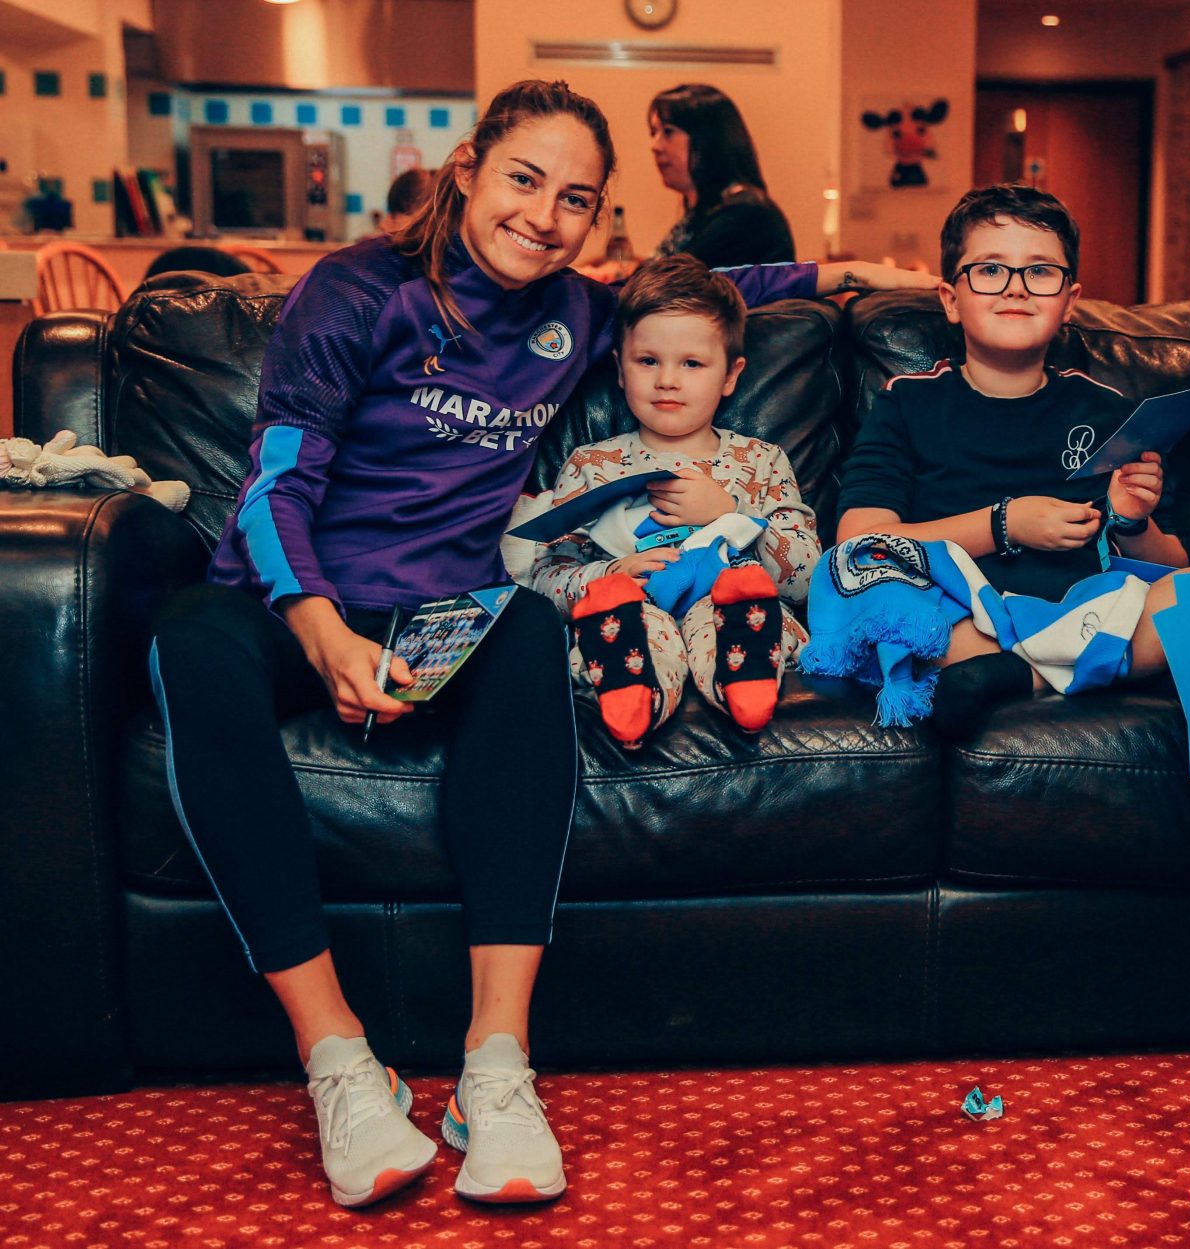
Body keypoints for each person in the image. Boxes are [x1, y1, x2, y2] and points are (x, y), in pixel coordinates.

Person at [142, 78, 912, 1213]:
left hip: (450, 606)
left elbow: (710, 295)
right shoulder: (356, 290)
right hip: (289, 593)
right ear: (469, 169)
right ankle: (339, 1061)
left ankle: (495, 1068)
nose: (546, 215)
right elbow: (274, 482)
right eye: (524, 179)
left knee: (538, 631)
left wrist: (862, 279)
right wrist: (316, 628)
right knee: (188, 645)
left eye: (578, 199)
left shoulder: (579, 311)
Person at [831, 183, 1190, 737]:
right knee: (872, 599)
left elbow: (1171, 560)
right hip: (961, 619)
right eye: (989, 270)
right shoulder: (907, 402)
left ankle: (1021, 675)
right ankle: (1058, 668)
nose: (1016, 289)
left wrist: (1131, 520)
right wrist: (1005, 524)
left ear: (1069, 300)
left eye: (1040, 272)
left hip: (1081, 609)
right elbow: (861, 541)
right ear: (950, 299)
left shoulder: (1108, 410)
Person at [523, 253, 819, 746]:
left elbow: (807, 578)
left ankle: (742, 677)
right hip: (634, 610)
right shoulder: (591, 464)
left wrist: (731, 514)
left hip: (728, 605)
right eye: (648, 361)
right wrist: (609, 574)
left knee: (735, 614)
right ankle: (633, 694)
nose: (667, 380)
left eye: (692, 363)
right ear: (620, 369)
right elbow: (545, 577)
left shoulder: (763, 461)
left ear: (730, 374)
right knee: (627, 621)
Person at [649, 83, 796, 267]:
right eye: (654, 132)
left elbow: (671, 282)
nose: (655, 146)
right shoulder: (704, 212)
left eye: (668, 132)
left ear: (707, 140)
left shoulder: (745, 215)